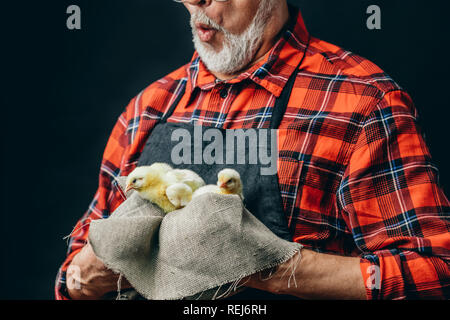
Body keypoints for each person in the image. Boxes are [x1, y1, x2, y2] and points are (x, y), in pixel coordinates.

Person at [56, 0, 450, 300]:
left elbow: (432, 273)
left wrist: (266, 265)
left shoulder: (361, 101)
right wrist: (86, 274)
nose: (195, 2)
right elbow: (73, 274)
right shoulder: (149, 108)